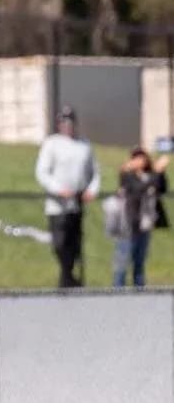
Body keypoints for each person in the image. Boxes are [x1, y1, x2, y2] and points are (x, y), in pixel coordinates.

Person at [35, 106, 99, 288]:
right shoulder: (52, 144)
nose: (67, 125)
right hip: (57, 204)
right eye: (64, 121)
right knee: (59, 242)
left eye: (70, 121)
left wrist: (91, 190)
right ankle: (67, 276)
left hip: (77, 203)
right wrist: (58, 189)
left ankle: (67, 279)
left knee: (74, 242)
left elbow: (94, 172)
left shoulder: (84, 145)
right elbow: (42, 172)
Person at [112, 147, 168, 288]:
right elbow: (138, 189)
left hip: (145, 223)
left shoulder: (149, 175)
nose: (140, 161)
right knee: (123, 259)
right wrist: (156, 172)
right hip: (128, 223)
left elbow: (161, 188)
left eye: (142, 158)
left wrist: (160, 173)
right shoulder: (127, 174)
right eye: (136, 158)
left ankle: (139, 288)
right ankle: (118, 288)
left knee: (140, 259)